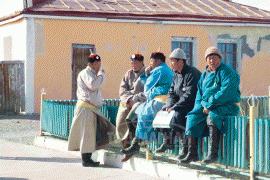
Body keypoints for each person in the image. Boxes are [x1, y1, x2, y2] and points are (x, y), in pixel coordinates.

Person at [181, 47, 241, 164]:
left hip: (227, 105)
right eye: (209, 58)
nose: (212, 61)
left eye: (215, 58)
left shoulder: (227, 72)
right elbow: (199, 93)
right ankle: (192, 153)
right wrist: (201, 106)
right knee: (192, 116)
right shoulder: (204, 75)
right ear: (206, 60)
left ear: (220, 58)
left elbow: (225, 92)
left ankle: (213, 154)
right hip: (207, 105)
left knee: (213, 115)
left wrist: (209, 105)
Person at [121, 51, 174, 155]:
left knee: (142, 114)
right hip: (164, 100)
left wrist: (147, 74)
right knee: (139, 113)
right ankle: (137, 143)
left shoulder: (158, 70)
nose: (150, 63)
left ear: (158, 61)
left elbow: (147, 88)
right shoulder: (166, 69)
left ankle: (136, 144)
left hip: (159, 101)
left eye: (151, 61)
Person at [68, 54, 115, 167]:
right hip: (86, 109)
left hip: (90, 109)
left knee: (90, 134)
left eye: (99, 64)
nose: (98, 66)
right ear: (90, 64)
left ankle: (88, 158)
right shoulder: (86, 73)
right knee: (87, 135)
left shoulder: (92, 74)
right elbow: (93, 85)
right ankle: (86, 160)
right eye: (96, 64)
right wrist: (102, 75)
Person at [155, 48, 201, 161]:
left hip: (193, 105)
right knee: (161, 114)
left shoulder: (192, 73)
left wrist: (174, 107)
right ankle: (167, 141)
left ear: (181, 61)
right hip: (180, 105)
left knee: (176, 115)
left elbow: (189, 96)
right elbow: (171, 93)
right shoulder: (176, 74)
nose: (172, 64)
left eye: (173, 61)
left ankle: (185, 148)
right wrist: (168, 105)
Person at [116, 53, 146, 162]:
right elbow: (122, 90)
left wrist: (135, 99)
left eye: (136, 62)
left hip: (138, 103)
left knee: (132, 125)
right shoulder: (128, 73)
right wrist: (128, 100)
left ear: (142, 63)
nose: (133, 65)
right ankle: (126, 148)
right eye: (132, 62)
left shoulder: (147, 74)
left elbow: (147, 92)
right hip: (127, 103)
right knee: (120, 125)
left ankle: (132, 149)